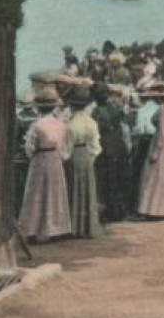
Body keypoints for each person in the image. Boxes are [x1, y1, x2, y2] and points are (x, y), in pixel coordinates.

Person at [18, 86, 72, 242]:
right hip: (55, 158)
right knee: (55, 194)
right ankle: (56, 229)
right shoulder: (61, 124)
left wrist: (31, 155)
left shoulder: (37, 125)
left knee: (36, 194)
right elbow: (64, 147)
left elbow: (30, 147)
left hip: (40, 159)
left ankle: (33, 229)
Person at [136, 83, 164, 218]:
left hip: (162, 141)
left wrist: (156, 151)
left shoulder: (163, 110)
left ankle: (155, 209)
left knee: (156, 175)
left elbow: (161, 132)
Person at [64, 87, 105, 239]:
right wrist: (91, 157)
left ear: (72, 106)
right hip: (87, 155)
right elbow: (96, 146)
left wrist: (65, 158)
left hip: (74, 154)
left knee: (73, 189)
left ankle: (74, 226)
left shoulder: (70, 125)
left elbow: (66, 149)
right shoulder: (91, 122)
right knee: (88, 189)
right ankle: (88, 226)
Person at [95, 86, 135, 223]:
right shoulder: (115, 109)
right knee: (118, 182)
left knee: (107, 183)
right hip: (118, 148)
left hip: (105, 150)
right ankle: (119, 212)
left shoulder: (96, 112)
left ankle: (109, 212)